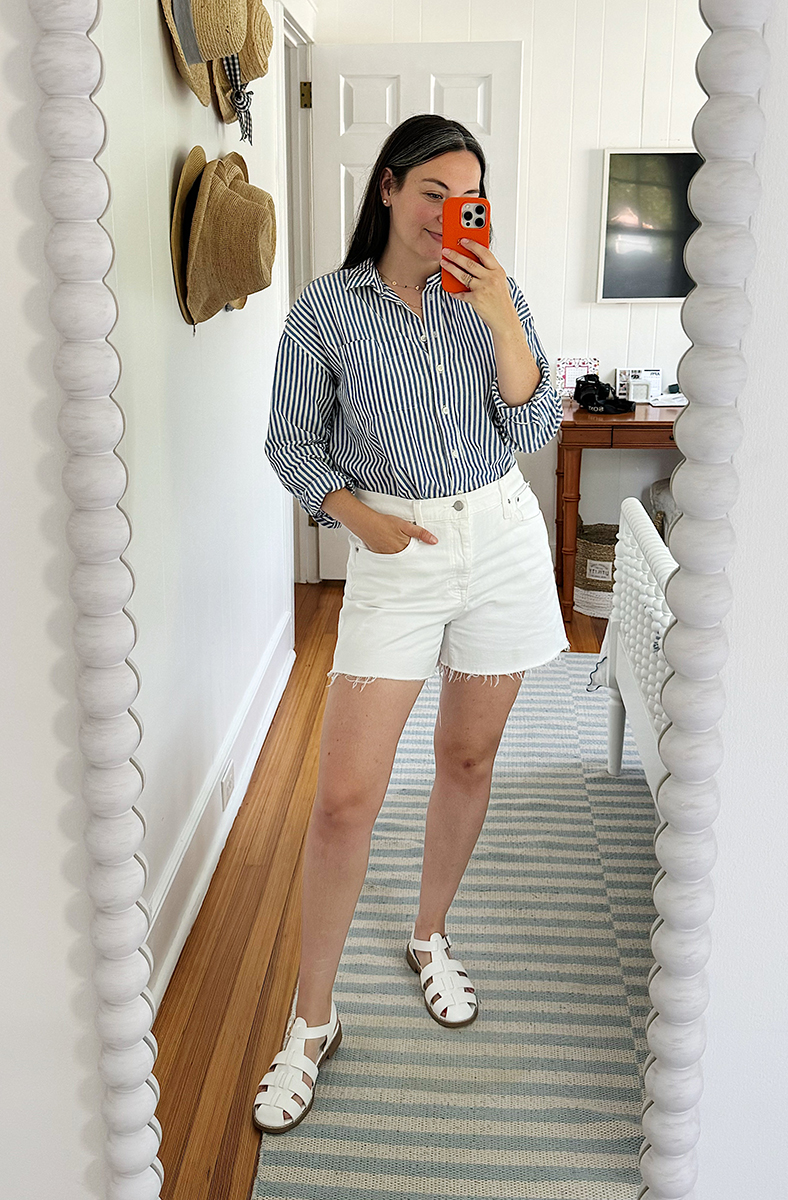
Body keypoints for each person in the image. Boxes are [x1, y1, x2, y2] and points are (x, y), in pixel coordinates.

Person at [253, 114, 570, 1133]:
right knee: (344, 799)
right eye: (432, 190)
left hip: (503, 537)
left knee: (467, 759)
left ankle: (429, 937)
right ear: (387, 190)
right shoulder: (326, 310)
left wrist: (501, 318)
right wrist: (358, 521)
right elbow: (290, 443)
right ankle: (312, 1022)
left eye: (467, 194)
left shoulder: (490, 295)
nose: (448, 212)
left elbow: (530, 420)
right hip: (396, 550)